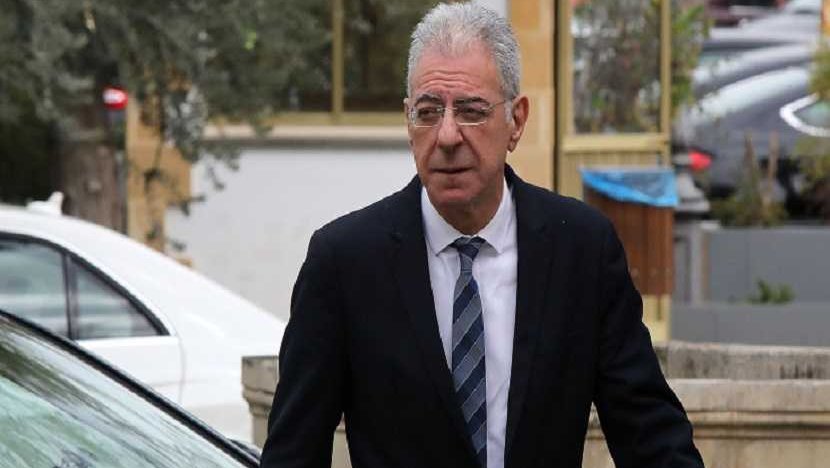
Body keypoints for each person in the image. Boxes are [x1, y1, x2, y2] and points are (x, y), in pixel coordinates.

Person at [259, 3, 704, 468]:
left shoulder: (582, 251)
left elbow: (651, 435)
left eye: (471, 111)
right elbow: (293, 453)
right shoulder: (345, 262)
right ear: (408, 122)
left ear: (517, 121)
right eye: (428, 112)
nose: (447, 136)